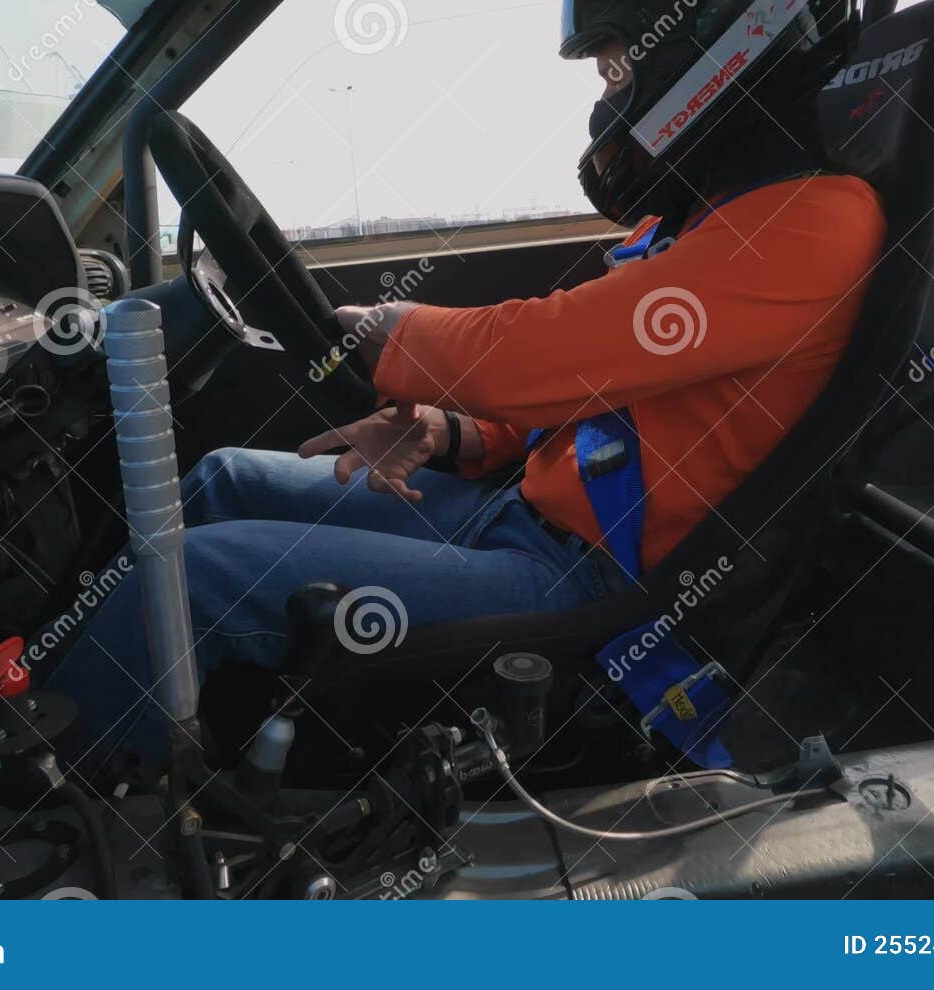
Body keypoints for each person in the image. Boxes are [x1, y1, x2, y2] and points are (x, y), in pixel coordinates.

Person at [48, 0, 883, 760]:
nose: (607, 91)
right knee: (224, 480)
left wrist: (388, 337)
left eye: (616, 61)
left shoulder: (812, 221)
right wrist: (450, 432)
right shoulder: (703, 222)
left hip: (588, 588)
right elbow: (598, 392)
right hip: (519, 515)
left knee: (194, 576)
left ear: (719, 41)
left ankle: (50, 815)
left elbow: (550, 353)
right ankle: (52, 686)